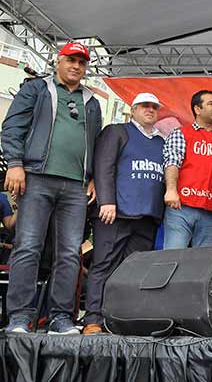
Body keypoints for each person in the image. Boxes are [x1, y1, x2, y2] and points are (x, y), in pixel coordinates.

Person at [1, 41, 102, 334]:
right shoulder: (37, 89)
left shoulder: (91, 101)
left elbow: (95, 142)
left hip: (76, 186)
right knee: (28, 247)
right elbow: (13, 127)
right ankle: (19, 317)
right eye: (71, 60)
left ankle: (60, 318)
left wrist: (93, 176)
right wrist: (15, 163)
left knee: (70, 253)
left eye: (81, 62)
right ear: (58, 61)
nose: (76, 66)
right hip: (37, 177)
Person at [83, 92, 166, 335]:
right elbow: (103, 166)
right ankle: (93, 319)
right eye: (144, 106)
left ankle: (122, 320)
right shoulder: (117, 131)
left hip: (147, 217)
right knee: (103, 265)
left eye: (154, 107)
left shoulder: (161, 142)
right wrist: (107, 201)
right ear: (133, 109)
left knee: (134, 272)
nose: (150, 110)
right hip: (116, 213)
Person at [162, 90, 212, 249]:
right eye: (211, 104)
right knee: (172, 256)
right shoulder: (181, 133)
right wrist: (171, 190)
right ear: (197, 109)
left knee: (203, 261)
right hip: (181, 207)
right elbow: (172, 162)